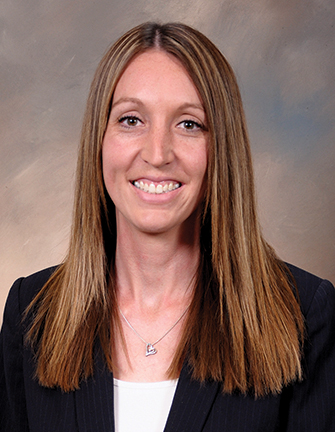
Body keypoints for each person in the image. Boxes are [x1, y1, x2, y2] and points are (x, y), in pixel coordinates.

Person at [1, 22, 334, 432]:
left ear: (221, 150)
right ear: (99, 140)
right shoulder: (32, 314)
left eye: (188, 124)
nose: (157, 154)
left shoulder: (303, 316)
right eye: (131, 119)